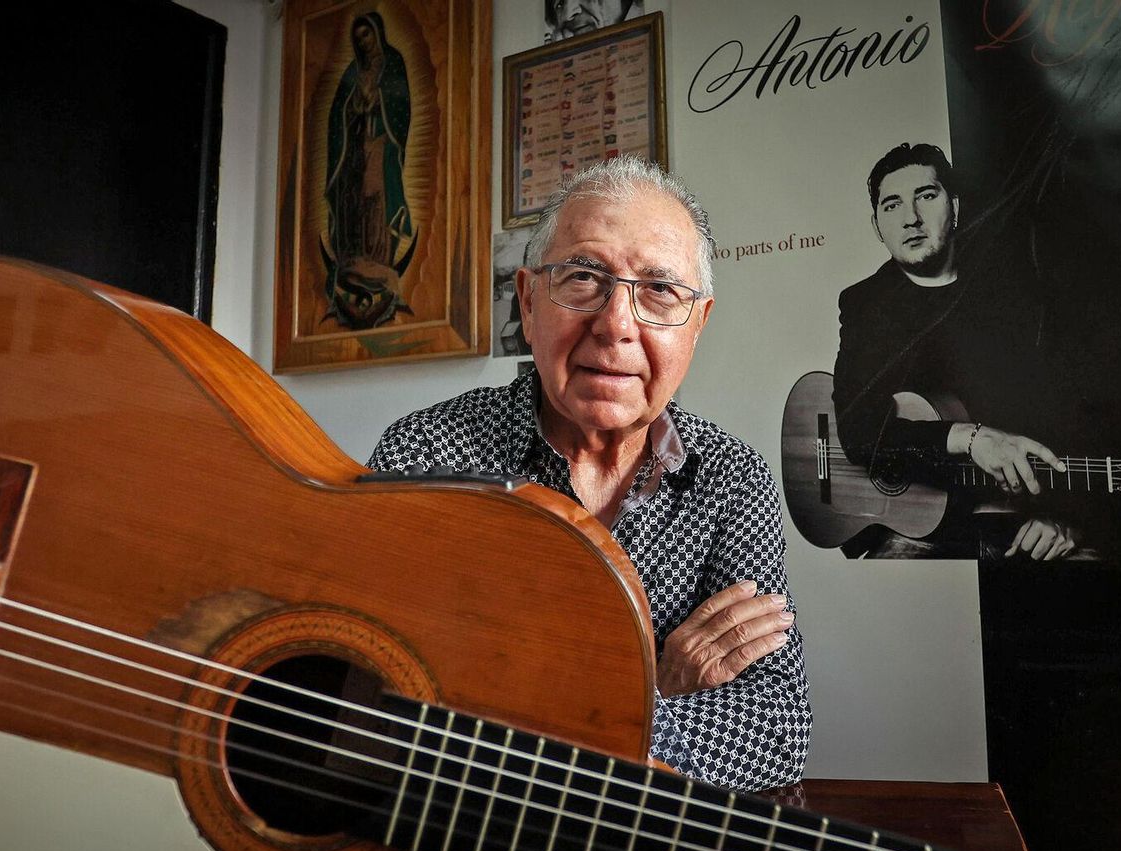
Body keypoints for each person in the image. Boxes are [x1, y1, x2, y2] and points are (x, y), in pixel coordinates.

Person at [368, 156, 811, 791]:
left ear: (699, 324)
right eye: (582, 276)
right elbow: (381, 704)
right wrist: (647, 688)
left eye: (660, 291)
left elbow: (776, 733)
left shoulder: (734, 480)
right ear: (527, 299)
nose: (616, 324)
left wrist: (527, 708)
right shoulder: (429, 452)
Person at [831, 143, 1078, 561]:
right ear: (877, 226)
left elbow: (1065, 411)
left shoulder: (1013, 291)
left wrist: (1064, 517)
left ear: (956, 207)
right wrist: (970, 438)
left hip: (1016, 519)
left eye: (926, 196)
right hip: (915, 531)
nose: (910, 218)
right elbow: (857, 431)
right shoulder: (866, 304)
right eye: (892, 205)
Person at [323, 12, 416, 330]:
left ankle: (378, 260)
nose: (364, 42)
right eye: (358, 37)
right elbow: (337, 116)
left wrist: (378, 101)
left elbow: (401, 108)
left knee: (375, 197)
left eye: (368, 35)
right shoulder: (353, 71)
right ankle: (352, 258)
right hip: (354, 147)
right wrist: (353, 109)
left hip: (380, 143)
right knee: (352, 200)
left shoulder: (392, 63)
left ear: (377, 34)